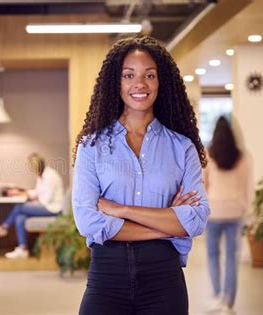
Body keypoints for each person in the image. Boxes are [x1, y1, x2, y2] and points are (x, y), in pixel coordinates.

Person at [72, 35, 210, 314]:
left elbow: (195, 219)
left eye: (150, 75)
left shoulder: (182, 148)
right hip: (106, 279)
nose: (140, 84)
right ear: (116, 82)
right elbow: (88, 221)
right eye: (129, 75)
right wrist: (167, 225)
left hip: (164, 280)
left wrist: (120, 209)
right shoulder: (92, 146)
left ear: (161, 82)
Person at [204, 116, 253, 314]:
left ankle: (217, 296)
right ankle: (228, 302)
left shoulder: (208, 155)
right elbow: (246, 186)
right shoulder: (244, 157)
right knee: (232, 258)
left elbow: (204, 185)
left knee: (213, 256)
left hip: (214, 211)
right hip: (235, 212)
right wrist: (246, 208)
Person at [0, 153, 64, 259]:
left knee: (20, 207)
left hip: (53, 209)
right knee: (19, 217)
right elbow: (37, 192)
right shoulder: (41, 176)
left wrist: (32, 199)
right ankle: (23, 249)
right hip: (45, 206)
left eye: (32, 168)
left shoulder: (50, 176)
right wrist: (20, 192)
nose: (32, 170)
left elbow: (46, 200)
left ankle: (3, 227)